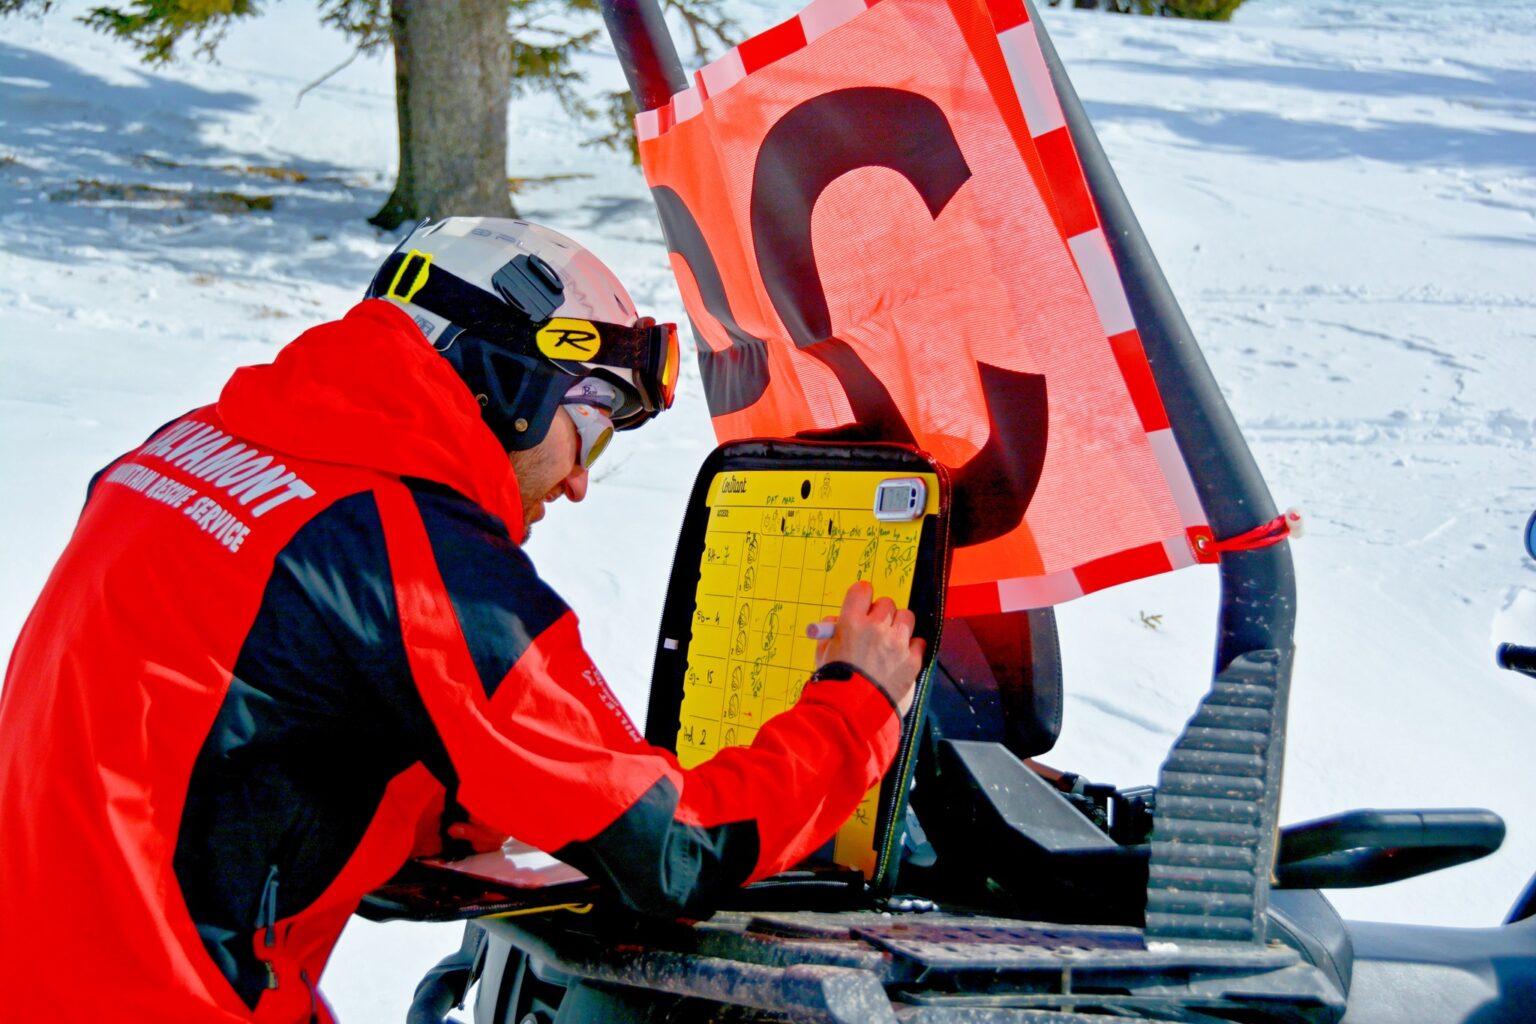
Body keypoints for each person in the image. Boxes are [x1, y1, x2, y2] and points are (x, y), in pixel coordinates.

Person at [0, 217, 924, 1022]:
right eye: (591, 422)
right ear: (509, 382)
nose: (578, 478)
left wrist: (459, 804)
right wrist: (857, 707)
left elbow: (240, 738)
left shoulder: (185, 452)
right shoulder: (409, 554)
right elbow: (676, 848)